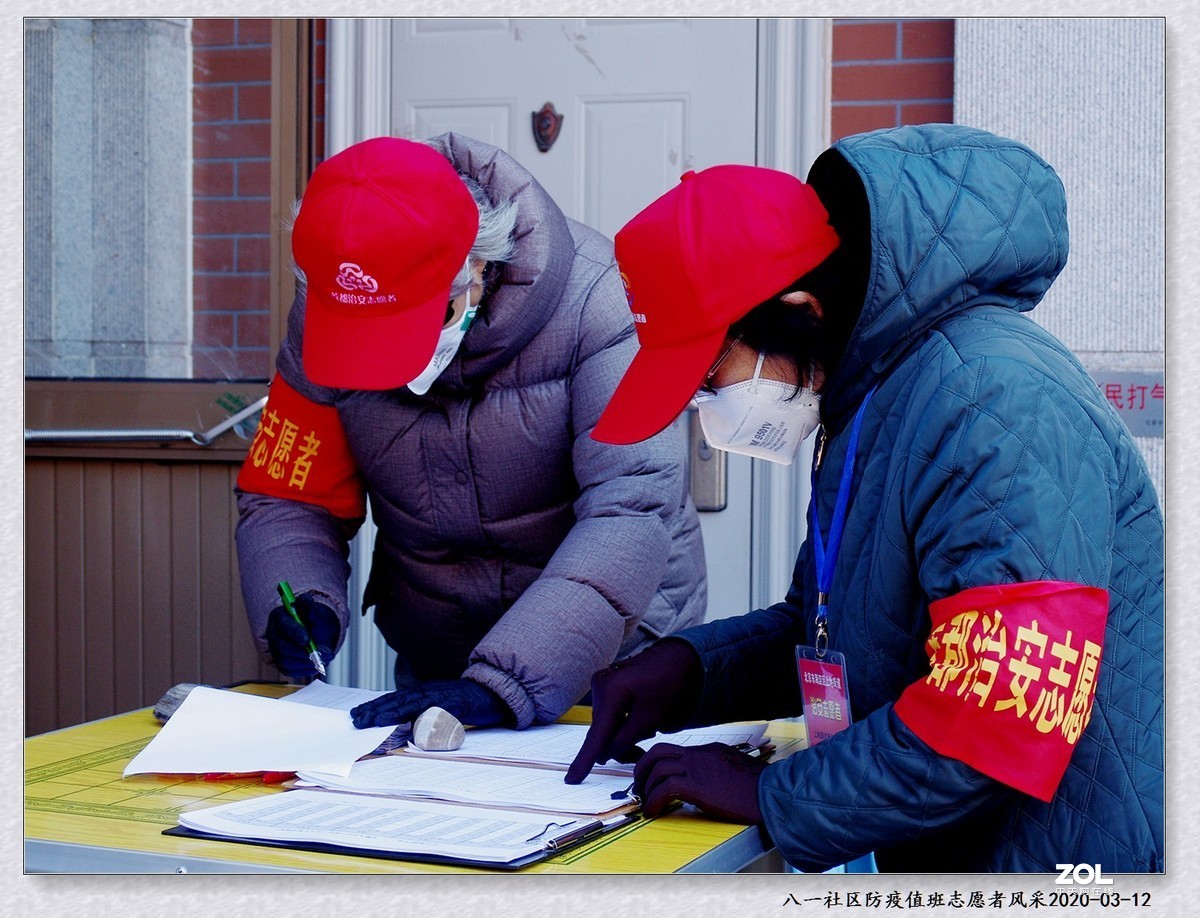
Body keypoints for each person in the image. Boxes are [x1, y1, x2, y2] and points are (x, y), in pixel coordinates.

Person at [565, 123, 1164, 873]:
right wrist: (692, 671)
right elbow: (839, 631)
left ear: (802, 310)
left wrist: (776, 796)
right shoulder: (873, 398)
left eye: (709, 377)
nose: (705, 409)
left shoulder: (990, 399)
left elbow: (1000, 708)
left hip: (1072, 859)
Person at [234, 133, 706, 731]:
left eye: (409, 324)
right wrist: (298, 595)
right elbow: (290, 489)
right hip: (440, 654)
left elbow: (630, 506)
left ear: (479, 262)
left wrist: (506, 681)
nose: (391, 360)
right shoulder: (328, 311)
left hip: (613, 654)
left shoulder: (599, 299)